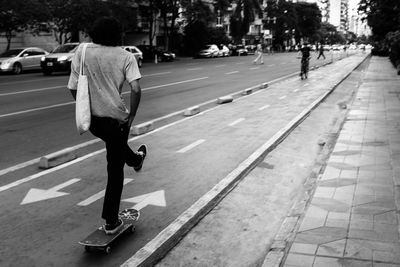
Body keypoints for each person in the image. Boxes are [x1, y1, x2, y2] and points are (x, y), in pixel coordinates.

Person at [67, 17, 147, 235]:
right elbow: (137, 89)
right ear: (118, 35)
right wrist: (131, 117)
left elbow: (73, 87)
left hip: (93, 121)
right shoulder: (126, 56)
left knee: (116, 146)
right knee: (115, 170)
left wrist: (84, 106)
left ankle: (136, 159)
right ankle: (111, 221)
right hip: (116, 121)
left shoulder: (82, 52)